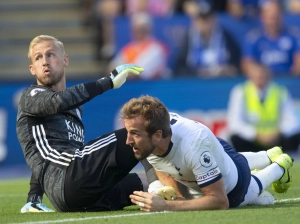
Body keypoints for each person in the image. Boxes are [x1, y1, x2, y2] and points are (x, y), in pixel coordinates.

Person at [17, 35, 147, 212]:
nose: (45, 62)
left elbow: (43, 157)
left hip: (82, 192)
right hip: (67, 180)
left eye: (50, 55)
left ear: (65, 61)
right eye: (38, 57)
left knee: (143, 182)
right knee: (136, 132)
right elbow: (57, 101)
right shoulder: (31, 96)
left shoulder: (75, 109)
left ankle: (177, 190)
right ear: (32, 69)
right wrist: (107, 83)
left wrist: (34, 198)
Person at [119, 95, 293, 212]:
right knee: (194, 184)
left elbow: (220, 201)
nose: (128, 140)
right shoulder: (151, 135)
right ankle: (267, 156)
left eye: (134, 133)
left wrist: (166, 205)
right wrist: (172, 195)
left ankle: (280, 166)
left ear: (157, 136)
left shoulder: (192, 144)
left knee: (252, 190)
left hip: (233, 186)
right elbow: (162, 161)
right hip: (214, 149)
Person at [227, 63, 300, 152]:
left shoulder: (280, 92)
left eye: (263, 76)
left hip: (276, 140)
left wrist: (278, 133)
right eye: (257, 76)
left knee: (295, 135)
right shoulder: (240, 91)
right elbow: (235, 124)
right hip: (252, 142)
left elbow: (292, 121)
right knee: (235, 138)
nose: (260, 79)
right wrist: (257, 135)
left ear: (269, 76)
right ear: (250, 76)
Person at [173, 7, 240, 78]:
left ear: (214, 20)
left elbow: (236, 63)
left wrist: (228, 69)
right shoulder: (189, 39)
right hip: (196, 83)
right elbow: (179, 67)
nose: (205, 24)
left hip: (221, 81)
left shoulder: (225, 37)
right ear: (195, 22)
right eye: (201, 20)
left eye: (208, 19)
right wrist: (197, 72)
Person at [241, 0, 300, 76]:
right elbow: (247, 64)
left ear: (282, 16)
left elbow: (298, 62)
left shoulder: (294, 35)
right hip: (263, 82)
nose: (274, 21)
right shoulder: (253, 38)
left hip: (289, 81)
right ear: (263, 18)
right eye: (271, 17)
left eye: (276, 16)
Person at [107, 12, 169, 80]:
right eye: (135, 29)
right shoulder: (129, 48)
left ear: (148, 29)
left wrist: (118, 73)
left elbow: (138, 74)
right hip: (127, 86)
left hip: (149, 88)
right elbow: (110, 69)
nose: (138, 32)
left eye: (141, 29)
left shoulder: (156, 49)